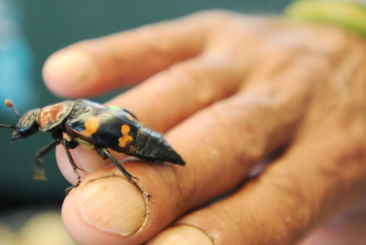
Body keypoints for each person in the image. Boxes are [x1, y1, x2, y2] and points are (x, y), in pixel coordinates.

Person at [42, 5, 366, 245]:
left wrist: (346, 23)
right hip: (133, 137)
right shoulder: (71, 119)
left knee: (104, 157)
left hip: (137, 141)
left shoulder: (72, 121)